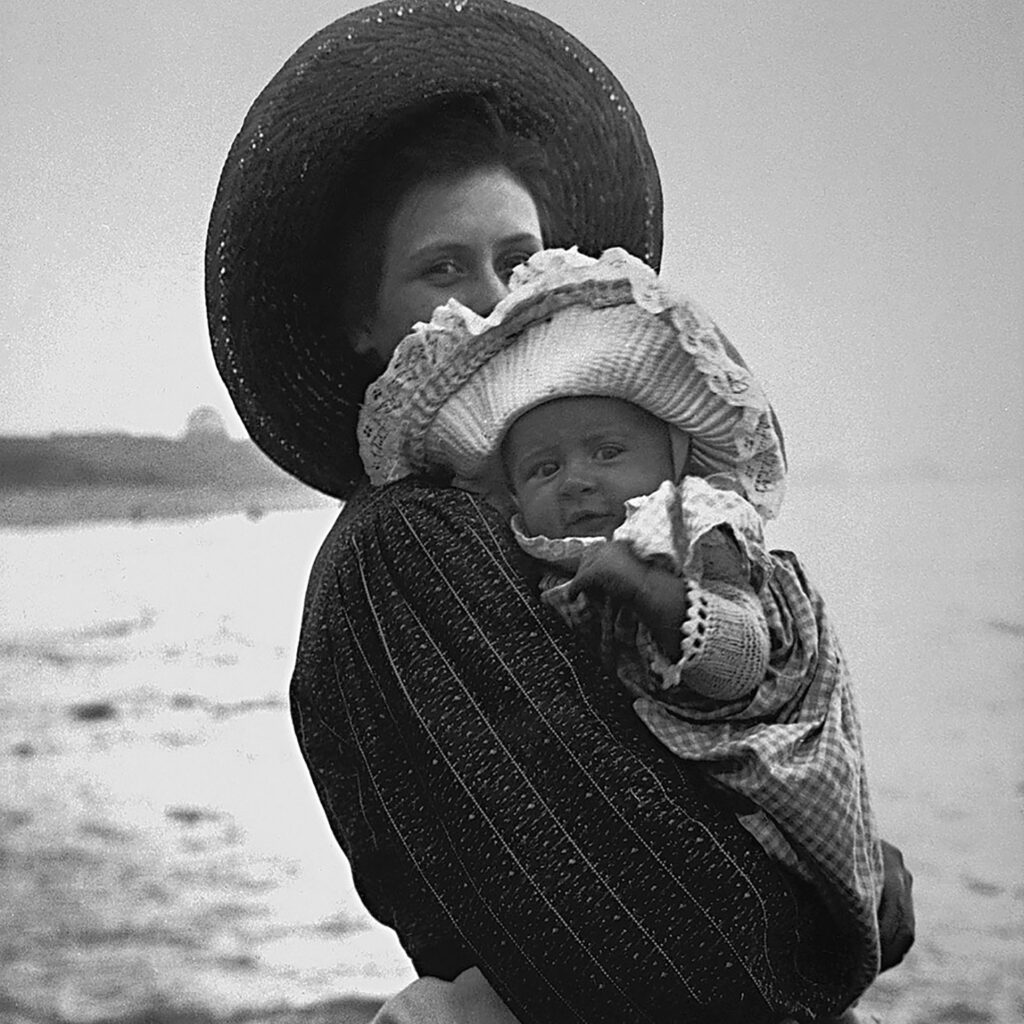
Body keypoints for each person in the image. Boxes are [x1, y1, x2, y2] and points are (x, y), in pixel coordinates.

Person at [206, 2, 914, 1022]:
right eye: (441, 267)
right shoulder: (405, 547)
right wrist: (842, 917)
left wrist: (851, 853)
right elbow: (660, 941)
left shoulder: (578, 515)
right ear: (361, 321)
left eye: (518, 256)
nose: (494, 300)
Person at [359, 244, 885, 996]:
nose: (578, 479)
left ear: (670, 459)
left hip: (752, 778)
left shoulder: (685, 521)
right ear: (509, 493)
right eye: (544, 467)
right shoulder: (520, 556)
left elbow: (743, 659)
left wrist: (653, 592)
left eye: (609, 451)